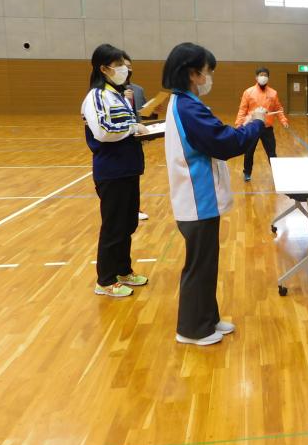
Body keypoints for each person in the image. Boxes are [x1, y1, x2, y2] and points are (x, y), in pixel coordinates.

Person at [164, 43, 267, 346]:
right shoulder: (187, 106)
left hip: (199, 198)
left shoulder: (185, 103)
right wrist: (257, 123)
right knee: (199, 266)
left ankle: (206, 318)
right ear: (194, 74)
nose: (210, 77)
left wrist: (245, 125)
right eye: (207, 72)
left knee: (206, 264)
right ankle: (192, 329)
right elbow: (224, 143)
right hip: (197, 199)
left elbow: (217, 135)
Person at [81, 44, 150, 299]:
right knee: (113, 226)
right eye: (119, 64)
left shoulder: (117, 94)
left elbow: (125, 125)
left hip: (129, 168)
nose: (124, 69)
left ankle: (123, 270)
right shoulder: (97, 96)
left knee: (127, 222)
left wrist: (143, 130)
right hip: (111, 171)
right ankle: (105, 280)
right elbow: (103, 131)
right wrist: (133, 129)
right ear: (104, 68)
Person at [235, 67, 289, 182]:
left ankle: (277, 174)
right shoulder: (248, 92)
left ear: (268, 78)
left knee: (272, 153)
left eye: (265, 75)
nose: (263, 77)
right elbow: (242, 109)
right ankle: (247, 173)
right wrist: (239, 123)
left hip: (267, 128)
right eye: (261, 75)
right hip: (252, 127)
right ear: (256, 77)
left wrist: (283, 120)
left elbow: (278, 108)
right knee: (248, 152)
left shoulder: (273, 93)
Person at [120, 53, 150, 222]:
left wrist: (154, 111)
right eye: (124, 66)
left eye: (130, 66)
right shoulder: (109, 94)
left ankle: (135, 208)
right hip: (120, 140)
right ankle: (123, 209)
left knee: (135, 176)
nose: (128, 69)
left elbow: (143, 114)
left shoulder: (138, 90)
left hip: (136, 141)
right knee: (122, 179)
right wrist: (124, 100)